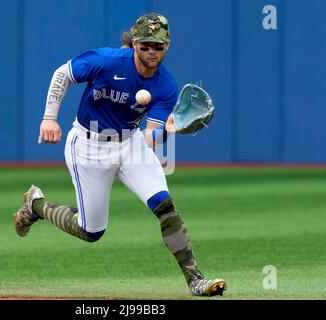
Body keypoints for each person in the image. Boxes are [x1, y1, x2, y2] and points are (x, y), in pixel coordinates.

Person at [14, 13, 226, 297]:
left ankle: (195, 280)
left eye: (158, 46)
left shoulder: (166, 86)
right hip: (88, 146)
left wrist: (170, 129)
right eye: (146, 44)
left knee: (165, 206)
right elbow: (62, 74)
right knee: (91, 232)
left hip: (130, 144)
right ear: (135, 43)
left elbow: (151, 137)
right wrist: (49, 118)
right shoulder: (106, 61)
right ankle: (36, 206)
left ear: (168, 46)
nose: (152, 51)